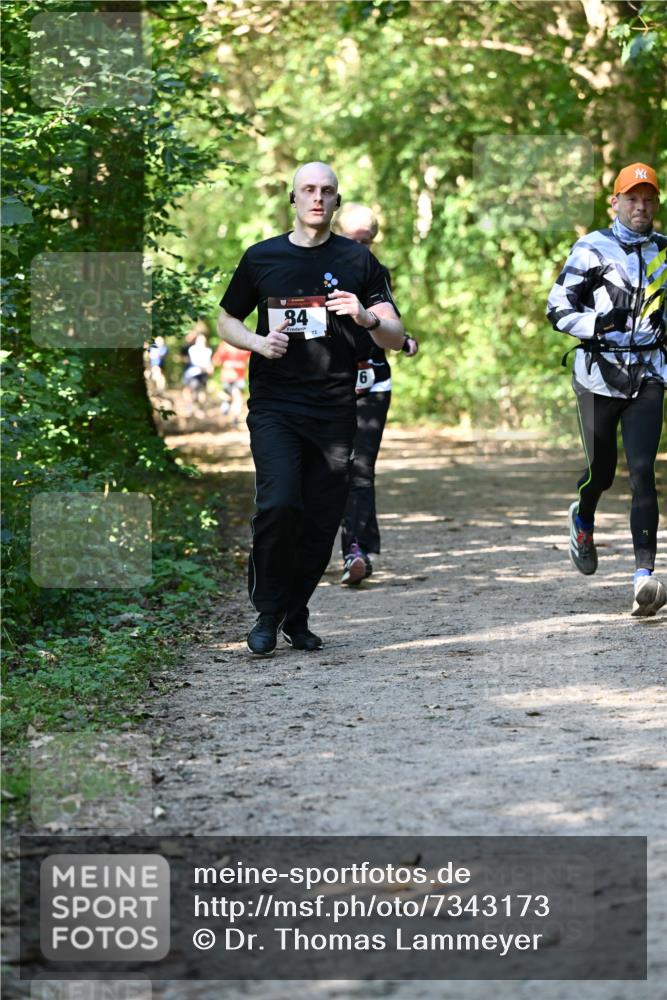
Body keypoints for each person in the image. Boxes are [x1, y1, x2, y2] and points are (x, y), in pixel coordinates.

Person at [217, 161, 406, 655]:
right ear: (293, 199)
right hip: (276, 405)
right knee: (280, 504)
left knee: (321, 522)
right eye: (308, 190)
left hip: (334, 409)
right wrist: (257, 344)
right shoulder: (262, 257)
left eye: (326, 190)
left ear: (336, 201)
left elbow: (396, 333)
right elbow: (225, 319)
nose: (317, 198)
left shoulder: (358, 262)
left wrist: (366, 317)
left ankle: (295, 613)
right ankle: (267, 613)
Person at [547, 162, 666, 617]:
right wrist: (601, 322)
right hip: (598, 373)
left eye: (648, 198)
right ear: (615, 202)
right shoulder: (591, 248)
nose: (641, 206)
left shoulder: (664, 251)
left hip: (649, 373)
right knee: (602, 471)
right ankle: (583, 517)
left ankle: (644, 579)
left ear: (655, 203)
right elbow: (556, 309)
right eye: (632, 198)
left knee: (642, 472)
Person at [334, 203, 418, 585]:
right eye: (353, 241)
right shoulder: (313, 270)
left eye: (366, 242)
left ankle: (357, 551)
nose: (360, 249)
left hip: (371, 382)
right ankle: (312, 547)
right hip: (325, 386)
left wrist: (402, 341)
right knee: (326, 469)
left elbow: (387, 322)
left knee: (360, 465)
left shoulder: (375, 272)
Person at [213, 340, 250, 425]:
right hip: (227, 377)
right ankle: (225, 413)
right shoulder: (225, 345)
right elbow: (217, 360)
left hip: (239, 377)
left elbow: (250, 357)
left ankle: (235, 418)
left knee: (237, 397)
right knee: (228, 398)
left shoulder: (243, 344)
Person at [182, 329, 213, 417]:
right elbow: (195, 362)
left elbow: (208, 362)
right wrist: (205, 367)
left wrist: (209, 367)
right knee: (192, 391)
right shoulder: (192, 349)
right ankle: (191, 408)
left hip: (203, 374)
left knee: (202, 392)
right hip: (193, 374)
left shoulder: (208, 350)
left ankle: (199, 409)